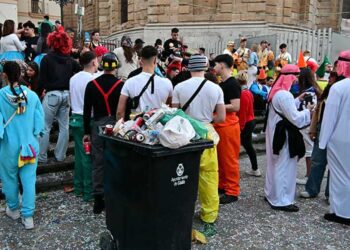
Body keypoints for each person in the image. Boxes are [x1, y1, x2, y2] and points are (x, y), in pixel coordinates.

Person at [172, 54, 225, 236]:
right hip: (207, 135)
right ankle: (209, 215)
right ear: (205, 67)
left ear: (189, 68)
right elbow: (222, 117)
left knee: (181, 176)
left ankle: (180, 212)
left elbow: (176, 114)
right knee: (209, 177)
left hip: (185, 134)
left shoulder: (179, 87)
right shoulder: (215, 88)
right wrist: (208, 120)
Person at [0, 61, 44, 229]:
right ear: (20, 74)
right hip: (29, 145)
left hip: (8, 146)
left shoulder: (1, 95)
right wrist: (36, 133)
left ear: (4, 75)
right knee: (29, 180)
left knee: (9, 179)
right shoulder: (31, 96)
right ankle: (28, 217)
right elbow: (39, 122)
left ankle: (13, 209)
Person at [264, 64, 313, 212]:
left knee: (274, 164)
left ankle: (271, 194)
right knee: (284, 167)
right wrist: (308, 111)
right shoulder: (284, 95)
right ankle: (281, 200)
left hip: (275, 133)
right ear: (290, 77)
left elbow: (285, 108)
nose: (297, 80)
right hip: (283, 135)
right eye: (296, 77)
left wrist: (298, 99)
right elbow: (296, 118)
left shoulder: (277, 93)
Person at [83, 52, 123, 214]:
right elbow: (124, 110)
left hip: (98, 125)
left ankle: (98, 199)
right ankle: (115, 194)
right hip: (116, 125)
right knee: (116, 159)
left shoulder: (91, 85)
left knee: (98, 161)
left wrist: (86, 132)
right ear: (116, 67)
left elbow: (87, 111)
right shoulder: (121, 85)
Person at [38, 31, 81, 163]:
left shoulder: (46, 59)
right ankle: (60, 155)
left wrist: (40, 92)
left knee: (45, 127)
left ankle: (42, 157)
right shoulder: (70, 60)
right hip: (66, 95)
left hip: (52, 94)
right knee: (64, 127)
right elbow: (79, 71)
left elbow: (41, 80)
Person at [299, 68, 341, 200]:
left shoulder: (342, 92)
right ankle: (312, 189)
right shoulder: (326, 92)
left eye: (332, 76)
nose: (329, 78)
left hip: (338, 129)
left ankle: (330, 193)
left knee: (334, 164)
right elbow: (317, 112)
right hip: (322, 127)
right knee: (317, 160)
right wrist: (313, 129)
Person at [319, 50, 350, 226]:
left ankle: (341, 212)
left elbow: (329, 118)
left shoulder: (339, 87)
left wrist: (323, 143)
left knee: (340, 177)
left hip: (341, 139)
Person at [70, 51, 99, 203]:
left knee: (80, 154)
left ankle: (79, 187)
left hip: (75, 117)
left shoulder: (73, 78)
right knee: (88, 155)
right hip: (87, 119)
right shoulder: (93, 79)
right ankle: (88, 191)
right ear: (94, 62)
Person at [213, 54, 241, 204]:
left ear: (222, 65)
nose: (214, 67)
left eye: (216, 64)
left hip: (228, 125)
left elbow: (236, 106)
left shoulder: (232, 84)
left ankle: (232, 190)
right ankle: (223, 185)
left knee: (229, 159)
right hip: (221, 124)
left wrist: (218, 107)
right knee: (221, 159)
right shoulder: (223, 83)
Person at [117, 46, 173, 120]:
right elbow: (169, 107)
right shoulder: (167, 83)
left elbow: (120, 112)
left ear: (141, 60)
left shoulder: (129, 82)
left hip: (136, 126)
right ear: (155, 60)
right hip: (158, 126)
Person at [296, 67, 322, 185]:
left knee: (309, 151)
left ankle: (308, 177)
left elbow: (310, 110)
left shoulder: (309, 92)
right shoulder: (314, 90)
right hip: (308, 124)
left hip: (306, 125)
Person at [236, 71, 260, 177]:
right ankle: (255, 168)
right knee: (248, 146)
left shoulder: (243, 94)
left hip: (246, 122)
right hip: (250, 121)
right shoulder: (248, 92)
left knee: (246, 146)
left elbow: (243, 113)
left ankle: (255, 168)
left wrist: (240, 127)